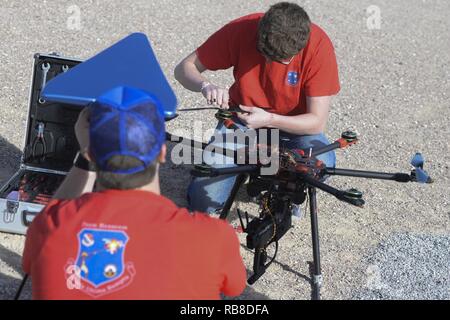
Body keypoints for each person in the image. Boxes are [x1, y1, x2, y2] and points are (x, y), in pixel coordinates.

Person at [22, 86, 246, 300]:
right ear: (161, 152)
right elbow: (234, 287)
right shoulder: (213, 236)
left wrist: (85, 155)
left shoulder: (49, 226)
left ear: (91, 152)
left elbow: (37, 251)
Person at [174, 2, 340, 214]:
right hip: (241, 124)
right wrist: (206, 86)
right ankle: (259, 171)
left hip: (293, 129)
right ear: (260, 39)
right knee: (204, 204)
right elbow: (183, 69)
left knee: (322, 165)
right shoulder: (243, 29)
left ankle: (277, 186)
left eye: (285, 60)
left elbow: (316, 121)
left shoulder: (318, 45)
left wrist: (270, 119)